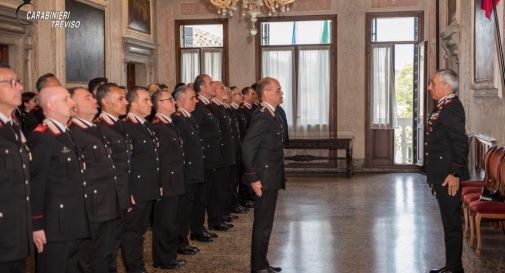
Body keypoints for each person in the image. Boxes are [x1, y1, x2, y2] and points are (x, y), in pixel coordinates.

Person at [28, 86, 91, 273]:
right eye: (66, 99)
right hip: (55, 225)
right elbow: (36, 184)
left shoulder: (65, 133)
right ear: (50, 105)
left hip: (74, 219)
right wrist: (36, 225)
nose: (72, 103)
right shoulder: (42, 137)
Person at [68, 87, 119, 273]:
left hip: (107, 203)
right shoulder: (72, 133)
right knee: (88, 258)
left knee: (106, 253)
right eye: (87, 97)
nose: (94, 100)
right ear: (73, 106)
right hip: (91, 206)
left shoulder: (95, 128)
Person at [426, 69, 469, 273]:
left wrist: (455, 174)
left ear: (445, 86)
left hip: (448, 176)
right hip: (442, 174)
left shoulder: (451, 109)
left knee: (452, 224)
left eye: (432, 83)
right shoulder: (444, 106)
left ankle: (454, 269)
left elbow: (460, 143)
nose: (429, 87)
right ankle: (453, 266)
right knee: (448, 222)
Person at [242, 77, 285, 273]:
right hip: (264, 178)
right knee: (262, 224)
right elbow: (248, 147)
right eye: (278, 90)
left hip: (271, 176)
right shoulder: (262, 115)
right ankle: (258, 267)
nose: (281, 93)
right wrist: (253, 177)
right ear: (266, 93)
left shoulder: (272, 114)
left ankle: (262, 263)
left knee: (266, 224)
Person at [121, 86, 161, 273]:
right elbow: (126, 163)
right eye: (145, 100)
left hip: (147, 187)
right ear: (133, 103)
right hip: (136, 189)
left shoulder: (145, 124)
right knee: (132, 233)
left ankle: (138, 266)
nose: (150, 104)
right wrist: (128, 191)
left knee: (140, 231)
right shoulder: (126, 126)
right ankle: (135, 268)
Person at [94, 83, 132, 273]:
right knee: (105, 248)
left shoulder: (118, 124)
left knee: (114, 244)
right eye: (120, 98)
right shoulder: (100, 128)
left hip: (122, 195)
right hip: (110, 197)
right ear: (105, 102)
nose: (126, 102)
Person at [0, 63, 33, 273]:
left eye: (18, 81)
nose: (19, 87)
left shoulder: (13, 126)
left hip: (17, 232)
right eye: (11, 83)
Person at [150, 90, 187, 269]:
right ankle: (163, 258)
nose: (173, 102)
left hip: (176, 179)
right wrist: (160, 183)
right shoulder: (157, 126)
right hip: (167, 182)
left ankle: (170, 255)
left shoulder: (169, 124)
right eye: (169, 100)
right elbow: (158, 160)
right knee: (165, 222)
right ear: (159, 103)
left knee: (173, 220)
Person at [192, 74, 228, 236]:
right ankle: (197, 229)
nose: (213, 85)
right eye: (210, 83)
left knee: (210, 193)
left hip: (213, 158)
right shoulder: (198, 106)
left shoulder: (208, 106)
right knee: (201, 197)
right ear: (201, 87)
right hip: (205, 159)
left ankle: (204, 226)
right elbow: (197, 134)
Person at [172, 85, 204, 256]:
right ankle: (179, 242)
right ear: (181, 100)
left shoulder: (188, 118)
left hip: (193, 171)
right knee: (182, 210)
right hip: (186, 172)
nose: (196, 101)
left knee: (188, 208)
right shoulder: (178, 120)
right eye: (192, 98)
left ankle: (183, 240)